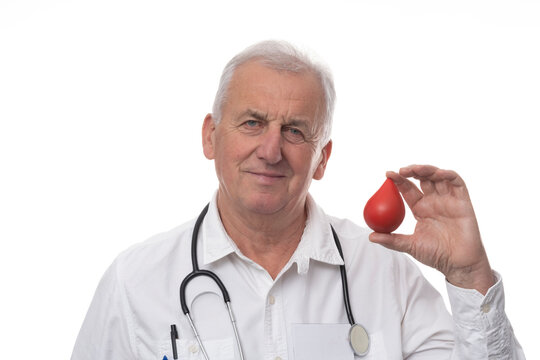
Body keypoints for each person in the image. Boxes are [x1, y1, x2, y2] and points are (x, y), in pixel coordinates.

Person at [71, 40, 525, 359]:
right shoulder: (135, 283)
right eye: (252, 122)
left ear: (322, 159)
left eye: (294, 131)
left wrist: (469, 276)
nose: (271, 151)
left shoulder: (386, 273)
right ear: (211, 136)